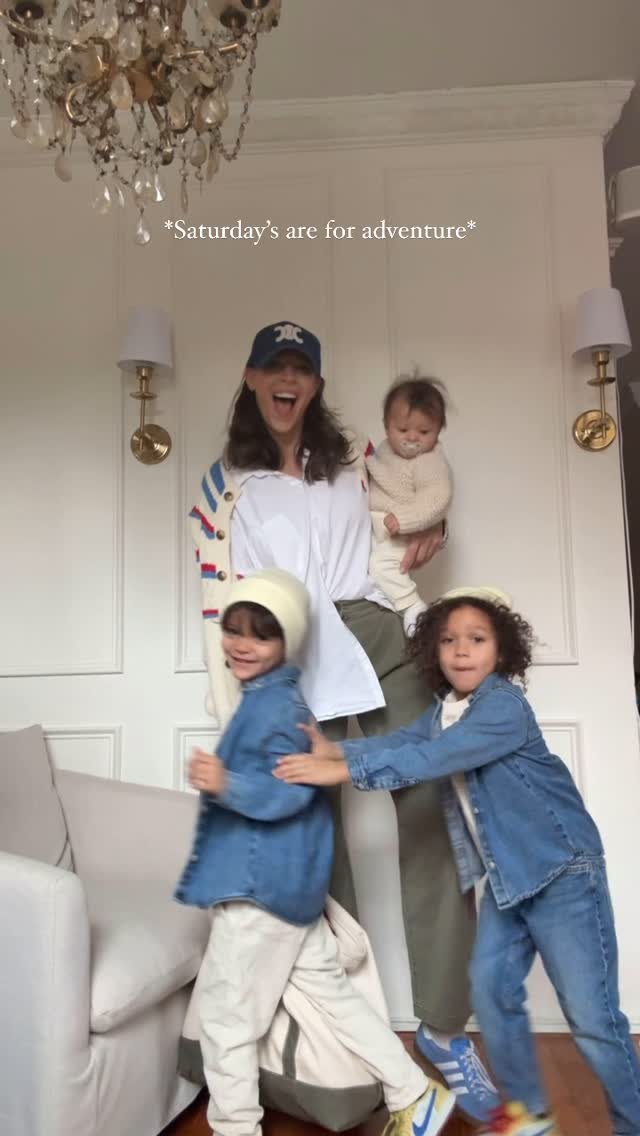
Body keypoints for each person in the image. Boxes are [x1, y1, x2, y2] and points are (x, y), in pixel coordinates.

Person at [189, 319, 498, 1123]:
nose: (288, 380)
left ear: (316, 383)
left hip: (374, 634)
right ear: (253, 378)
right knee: (313, 846)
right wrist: (234, 719)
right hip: (292, 655)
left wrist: (427, 541)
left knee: (430, 810)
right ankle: (353, 1050)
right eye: (275, 367)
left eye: (301, 368)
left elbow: (408, 511)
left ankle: (443, 1029)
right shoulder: (223, 484)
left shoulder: (355, 457)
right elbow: (216, 601)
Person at [274, 586, 640, 1136]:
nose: (461, 650)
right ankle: (528, 1115)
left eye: (477, 639)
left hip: (562, 875)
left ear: (503, 649)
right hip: (507, 884)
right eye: (448, 640)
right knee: (491, 995)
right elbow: (401, 741)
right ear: (433, 650)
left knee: (592, 1019)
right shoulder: (446, 711)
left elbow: (433, 757)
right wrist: (337, 750)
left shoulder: (503, 708)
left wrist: (343, 772)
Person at [175, 568, 456, 1136]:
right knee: (336, 998)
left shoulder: (276, 710)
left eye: (262, 634)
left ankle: (235, 1128)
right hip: (290, 891)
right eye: (234, 629)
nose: (242, 644)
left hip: (259, 889)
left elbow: (289, 792)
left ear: (287, 642)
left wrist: (226, 783)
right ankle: (414, 1094)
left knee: (228, 1022)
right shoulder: (275, 701)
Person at [367, 373, 452, 636]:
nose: (412, 438)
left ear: (438, 430)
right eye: (403, 430)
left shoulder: (429, 461)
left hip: (400, 532)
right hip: (376, 527)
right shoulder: (383, 450)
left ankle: (413, 607)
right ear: (386, 426)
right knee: (372, 573)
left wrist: (404, 519)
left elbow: (437, 497)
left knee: (382, 566)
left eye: (424, 432)